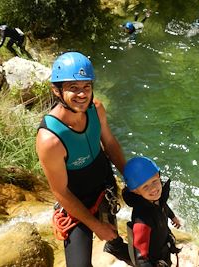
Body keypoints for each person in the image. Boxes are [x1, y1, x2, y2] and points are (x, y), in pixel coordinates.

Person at [36, 51, 131, 266]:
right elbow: (60, 191)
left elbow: (110, 143)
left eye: (86, 87)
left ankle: (114, 245)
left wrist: (129, 176)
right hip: (75, 202)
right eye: (73, 88)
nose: (82, 94)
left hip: (104, 186)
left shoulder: (96, 109)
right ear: (57, 91)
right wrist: (95, 226)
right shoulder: (50, 139)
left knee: (112, 230)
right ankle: (107, 237)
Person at [122, 156, 182, 267]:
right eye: (145, 187)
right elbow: (141, 256)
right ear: (135, 191)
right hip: (156, 259)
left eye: (154, 181)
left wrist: (173, 217)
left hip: (164, 247)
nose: (153, 189)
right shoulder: (142, 220)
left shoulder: (156, 199)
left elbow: (163, 206)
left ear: (159, 176)